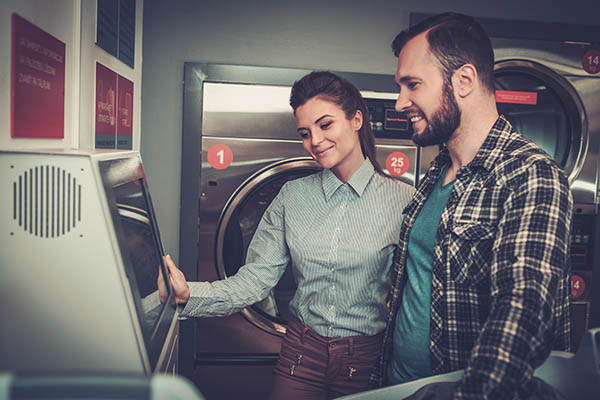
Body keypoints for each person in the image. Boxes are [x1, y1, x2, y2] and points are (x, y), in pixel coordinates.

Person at [159, 71, 415, 399]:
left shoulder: (403, 200)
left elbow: (415, 295)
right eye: (305, 133)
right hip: (300, 354)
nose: (315, 142)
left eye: (326, 125)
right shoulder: (292, 197)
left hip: (366, 360)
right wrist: (187, 295)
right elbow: (253, 282)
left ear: (356, 120)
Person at [369, 12, 573, 399]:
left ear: (463, 80)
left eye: (412, 85)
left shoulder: (530, 174)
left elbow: (522, 313)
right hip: (397, 385)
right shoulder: (436, 170)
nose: (400, 103)